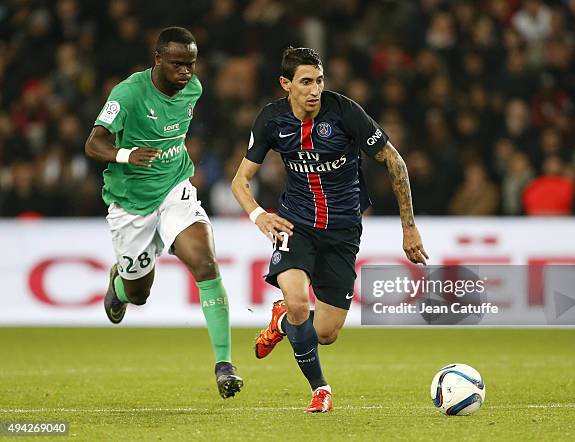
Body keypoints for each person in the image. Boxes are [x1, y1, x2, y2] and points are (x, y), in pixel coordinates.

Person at [231, 47, 427, 412]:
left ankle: (283, 321)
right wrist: (259, 214)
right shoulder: (271, 120)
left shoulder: (345, 113)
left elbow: (394, 160)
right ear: (285, 84)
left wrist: (409, 228)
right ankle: (320, 389)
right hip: (296, 223)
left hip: (342, 231)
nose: (314, 90)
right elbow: (240, 181)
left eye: (319, 81)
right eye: (305, 82)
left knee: (325, 333)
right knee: (298, 301)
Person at [84, 27, 243, 399]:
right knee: (140, 293)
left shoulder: (194, 89)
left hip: (174, 188)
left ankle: (224, 364)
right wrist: (126, 155)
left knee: (205, 264)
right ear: (157, 59)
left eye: (191, 64)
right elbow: (93, 143)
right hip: (131, 204)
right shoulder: (127, 94)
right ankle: (120, 286)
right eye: (177, 64)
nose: (186, 72)